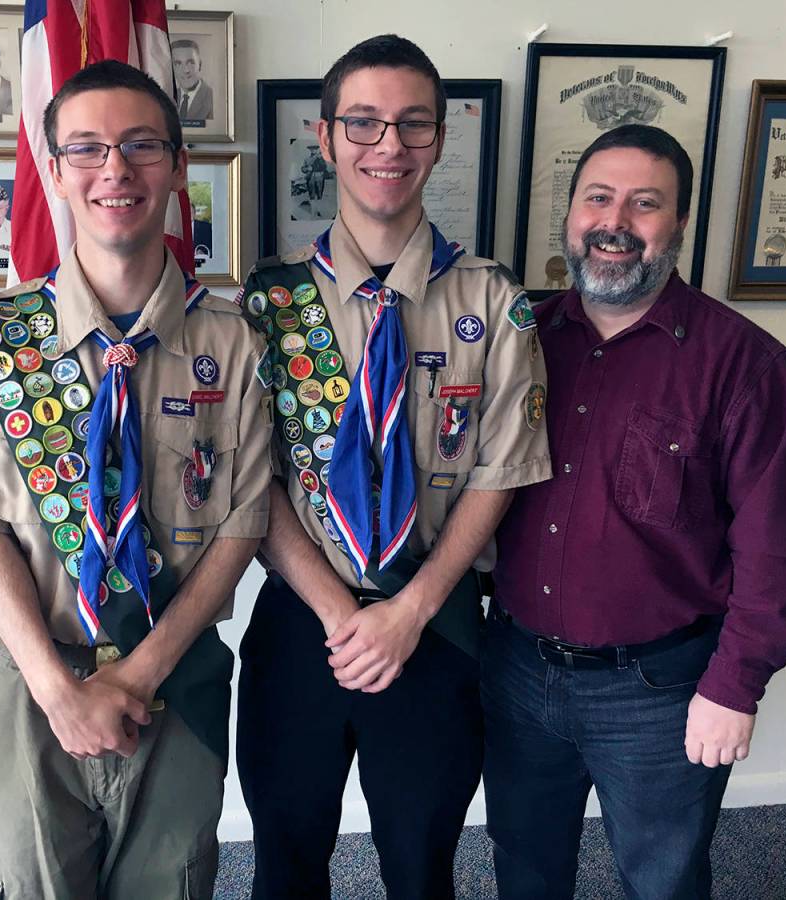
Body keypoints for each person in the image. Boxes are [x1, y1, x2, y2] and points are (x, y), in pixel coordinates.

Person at [0, 59, 272, 898]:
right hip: (33, 679)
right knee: (27, 883)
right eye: (86, 149)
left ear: (177, 166)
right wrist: (60, 692)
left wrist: (137, 674)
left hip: (176, 673)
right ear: (51, 169)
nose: (115, 170)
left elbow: (240, 526)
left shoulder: (234, 343)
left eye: (140, 146)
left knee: (173, 882)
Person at [236, 34, 551, 900]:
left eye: (414, 125)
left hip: (436, 621)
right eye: (365, 124)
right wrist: (345, 616)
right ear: (326, 136)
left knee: (422, 867)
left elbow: (501, 468)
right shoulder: (270, 302)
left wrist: (407, 612)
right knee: (284, 862)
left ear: (440, 140)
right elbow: (251, 480)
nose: (390, 147)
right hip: (307, 621)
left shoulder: (493, 298)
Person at [484, 124, 786, 899]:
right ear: (571, 215)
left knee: (662, 880)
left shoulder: (748, 366)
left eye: (645, 203)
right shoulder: (514, 337)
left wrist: (734, 687)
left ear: (681, 223)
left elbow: (779, 553)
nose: (615, 222)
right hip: (518, 673)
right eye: (598, 197)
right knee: (523, 868)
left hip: (660, 691)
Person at [172, 38, 213, 123]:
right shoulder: (169, 98)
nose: (186, 70)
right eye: (178, 64)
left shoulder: (212, 98)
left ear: (200, 65)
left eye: (190, 62)